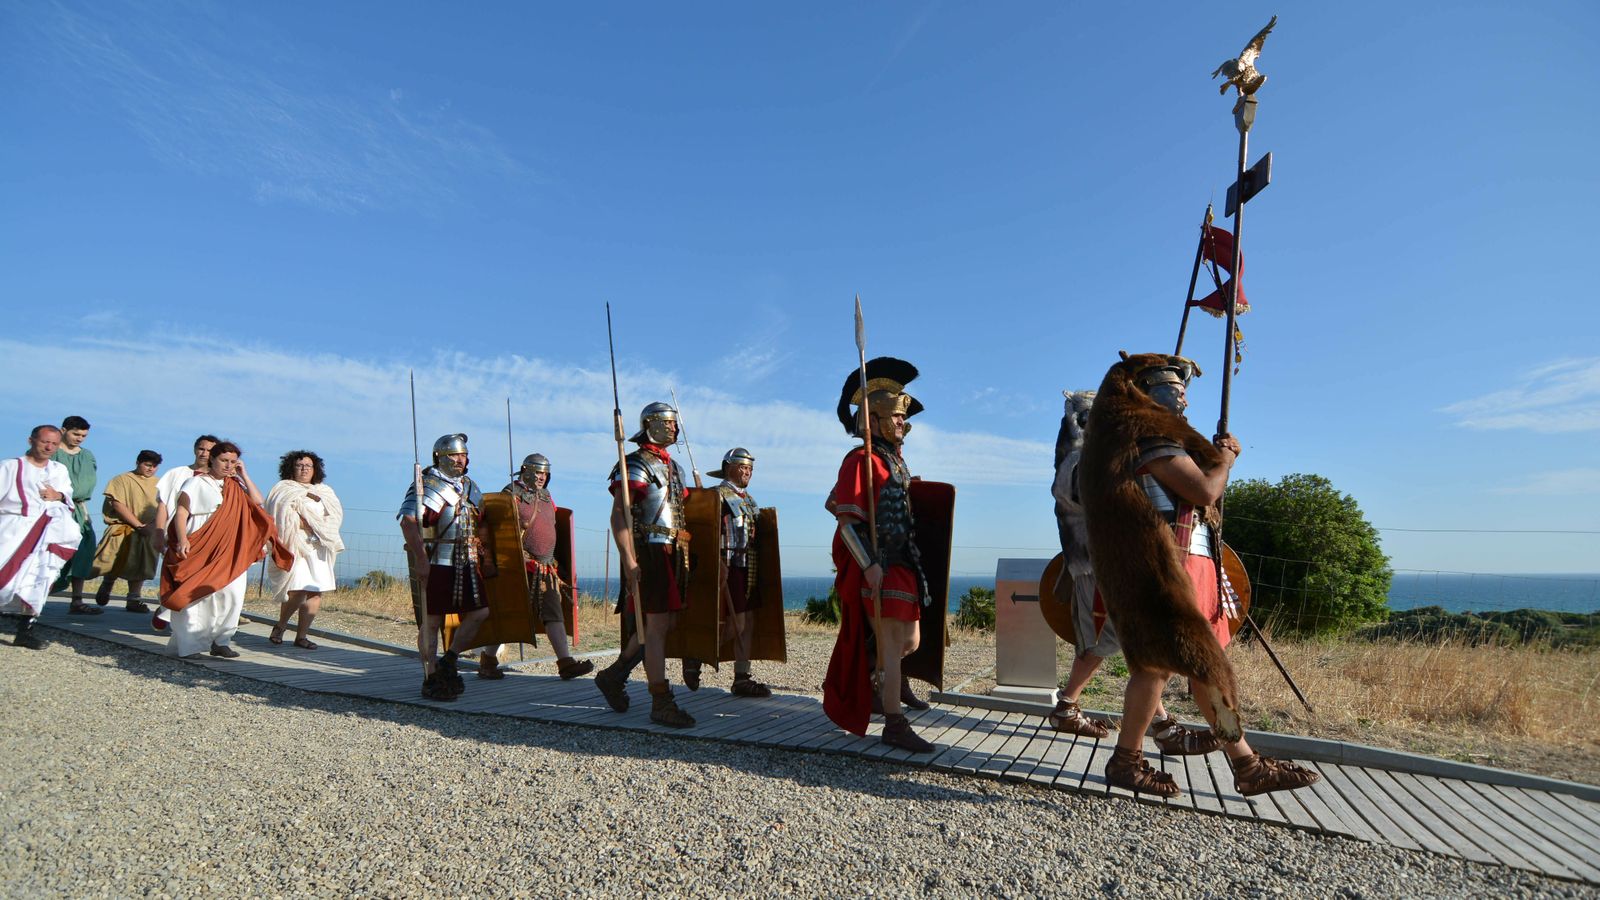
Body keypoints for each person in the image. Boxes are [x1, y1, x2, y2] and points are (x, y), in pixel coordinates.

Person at [1100, 357, 1317, 796]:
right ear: (1144, 393)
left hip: (1185, 563)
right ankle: (1128, 760)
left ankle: (1244, 763)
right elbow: (1202, 490)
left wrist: (1212, 457)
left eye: (1181, 387)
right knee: (1158, 666)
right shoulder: (1148, 437)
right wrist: (1225, 460)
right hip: (1167, 568)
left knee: (1197, 669)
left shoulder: (1159, 438)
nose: (1180, 394)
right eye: (1168, 386)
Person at [1045, 390, 1218, 754]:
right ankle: (1156, 727)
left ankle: (1073, 707)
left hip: (1114, 564)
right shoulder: (1079, 460)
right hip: (1100, 566)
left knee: (1129, 646)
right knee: (1124, 646)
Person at [822, 357, 936, 753]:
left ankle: (875, 683)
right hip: (879, 564)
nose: (903, 424)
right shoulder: (859, 460)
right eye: (897, 418)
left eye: (904, 419)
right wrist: (868, 564)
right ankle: (893, 722)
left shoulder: (893, 463)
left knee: (910, 642)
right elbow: (846, 519)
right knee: (891, 644)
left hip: (905, 561)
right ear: (875, 420)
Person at [593, 402, 695, 728]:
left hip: (675, 552)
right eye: (668, 422)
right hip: (650, 552)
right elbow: (619, 514)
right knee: (657, 628)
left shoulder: (673, 467)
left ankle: (614, 675)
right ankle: (660, 700)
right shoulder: (635, 463)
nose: (674, 428)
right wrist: (629, 560)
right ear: (651, 424)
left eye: (675, 423)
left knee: (661, 626)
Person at [159, 441, 286, 658]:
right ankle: (190, 646)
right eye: (224, 461)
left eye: (233, 462)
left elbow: (258, 501)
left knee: (231, 593)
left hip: (231, 546)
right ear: (212, 459)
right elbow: (181, 512)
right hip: (201, 539)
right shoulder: (195, 483)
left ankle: (222, 640)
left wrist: (243, 474)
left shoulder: (235, 485)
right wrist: (182, 539)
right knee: (199, 594)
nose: (229, 466)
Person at [399, 433, 497, 701]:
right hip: (439, 560)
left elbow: (483, 522)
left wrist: (486, 557)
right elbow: (408, 522)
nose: (459, 459)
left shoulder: (469, 486)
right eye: (454, 455)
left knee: (480, 612)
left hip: (468, 561)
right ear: (439, 457)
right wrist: (421, 559)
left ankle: (449, 659)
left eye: (463, 455)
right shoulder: (429, 484)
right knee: (432, 622)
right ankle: (430, 674)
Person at [483, 453, 593, 681]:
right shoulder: (510, 494)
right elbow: (498, 531)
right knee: (507, 614)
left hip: (545, 567)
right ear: (525, 470)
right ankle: (488, 661)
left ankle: (565, 663)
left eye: (545, 472)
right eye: (537, 471)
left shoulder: (546, 496)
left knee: (553, 613)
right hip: (518, 566)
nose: (542, 477)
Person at [0, 426, 82, 649]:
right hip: (12, 530)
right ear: (31, 440)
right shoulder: (11, 467)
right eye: (44, 442)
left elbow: (68, 497)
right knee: (4, 576)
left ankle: (25, 630)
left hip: (47, 533)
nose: (49, 447)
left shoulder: (58, 470)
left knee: (38, 579)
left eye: (54, 444)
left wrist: (58, 495)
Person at [265, 450, 344, 651]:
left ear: (315, 469)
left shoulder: (325, 491)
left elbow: (334, 516)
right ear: (291, 468)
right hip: (297, 543)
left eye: (308, 466)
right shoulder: (283, 489)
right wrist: (308, 525)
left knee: (316, 591)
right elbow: (281, 516)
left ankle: (302, 636)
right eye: (299, 465)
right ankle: (280, 626)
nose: (304, 469)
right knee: (298, 590)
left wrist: (320, 528)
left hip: (319, 546)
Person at [708, 447, 771, 698]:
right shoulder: (716, 495)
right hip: (729, 562)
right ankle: (699, 653)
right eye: (743, 467)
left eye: (750, 468)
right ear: (728, 468)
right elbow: (708, 532)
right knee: (737, 622)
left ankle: (742, 678)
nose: (747, 472)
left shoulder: (748, 499)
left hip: (748, 564)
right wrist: (718, 561)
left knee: (749, 623)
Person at [150, 435, 219, 632]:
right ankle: (166, 609)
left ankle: (183, 621)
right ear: (195, 449)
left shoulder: (221, 479)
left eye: (209, 450)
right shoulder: (177, 474)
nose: (205, 454)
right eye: (201, 449)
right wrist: (158, 531)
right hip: (177, 533)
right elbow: (163, 504)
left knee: (199, 579)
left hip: (205, 535)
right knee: (177, 575)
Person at [89, 450, 164, 613]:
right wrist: (137, 525)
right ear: (138, 462)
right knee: (115, 560)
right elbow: (117, 504)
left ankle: (134, 598)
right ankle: (107, 584)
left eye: (154, 466)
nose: (150, 469)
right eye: (147, 465)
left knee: (141, 565)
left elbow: (163, 507)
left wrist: (151, 526)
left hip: (148, 529)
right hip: (123, 527)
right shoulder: (121, 479)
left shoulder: (160, 484)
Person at [50, 415, 101, 614]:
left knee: (84, 550)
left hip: (79, 509)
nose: (79, 438)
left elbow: (87, 485)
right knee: (51, 551)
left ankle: (77, 600)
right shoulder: (53, 452)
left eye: (83, 435)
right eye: (76, 434)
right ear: (63, 431)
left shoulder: (87, 455)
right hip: (55, 507)